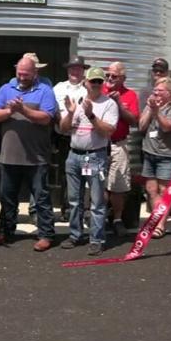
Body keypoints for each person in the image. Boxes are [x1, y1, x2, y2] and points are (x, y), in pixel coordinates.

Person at [0, 56, 58, 250]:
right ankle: (6, 231)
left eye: (26, 74)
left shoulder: (45, 91)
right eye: (19, 73)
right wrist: (11, 110)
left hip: (36, 157)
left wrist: (23, 109)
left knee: (41, 198)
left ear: (35, 73)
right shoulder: (5, 89)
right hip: (9, 156)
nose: (22, 77)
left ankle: (46, 235)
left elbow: (46, 118)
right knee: (7, 197)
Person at [59, 67, 118, 255]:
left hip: (95, 156)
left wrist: (91, 115)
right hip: (74, 154)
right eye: (93, 81)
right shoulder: (76, 102)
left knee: (97, 201)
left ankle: (97, 238)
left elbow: (108, 131)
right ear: (86, 82)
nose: (96, 85)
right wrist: (69, 113)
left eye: (100, 81)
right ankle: (75, 234)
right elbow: (63, 128)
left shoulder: (108, 104)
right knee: (74, 200)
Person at [138, 77, 171, 238]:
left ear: (169, 94)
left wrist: (157, 112)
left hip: (168, 155)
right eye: (155, 90)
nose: (156, 93)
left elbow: (167, 126)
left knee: (164, 192)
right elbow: (142, 126)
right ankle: (155, 220)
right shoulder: (151, 105)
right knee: (151, 190)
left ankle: (161, 225)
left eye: (160, 91)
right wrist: (150, 109)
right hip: (149, 153)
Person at [102, 62, 140, 236]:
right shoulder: (98, 89)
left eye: (114, 76)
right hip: (99, 144)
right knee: (97, 184)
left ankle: (117, 219)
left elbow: (133, 121)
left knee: (117, 186)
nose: (109, 78)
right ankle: (99, 217)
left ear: (123, 78)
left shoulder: (130, 95)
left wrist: (118, 103)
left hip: (118, 144)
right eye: (107, 75)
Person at [53, 55, 90, 221]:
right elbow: (53, 111)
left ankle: (84, 208)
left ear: (83, 71)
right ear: (68, 70)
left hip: (85, 137)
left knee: (86, 172)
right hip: (65, 137)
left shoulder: (89, 89)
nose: (75, 71)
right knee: (65, 174)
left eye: (79, 68)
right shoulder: (59, 88)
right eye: (72, 68)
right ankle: (66, 208)